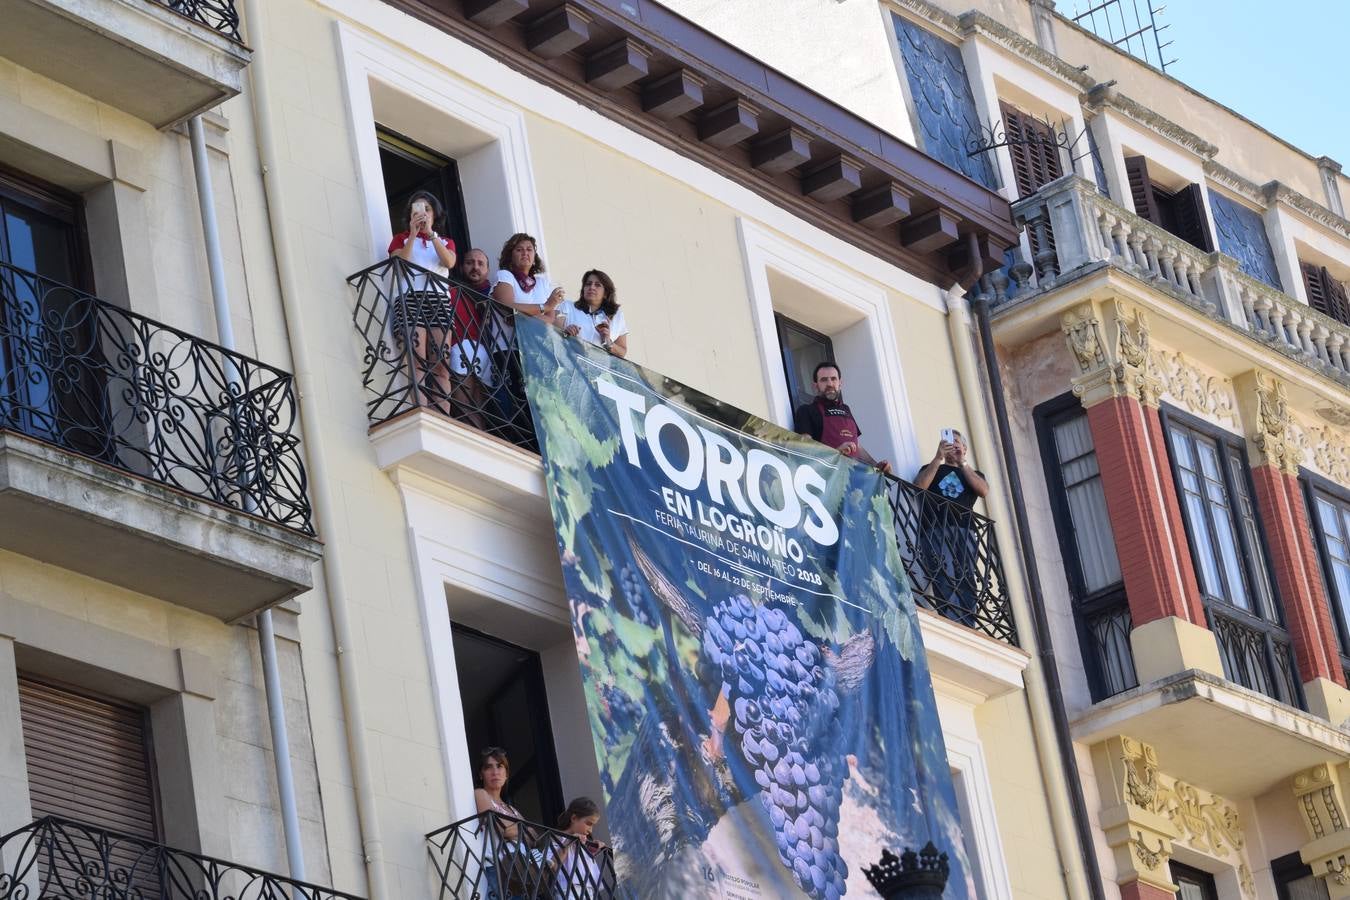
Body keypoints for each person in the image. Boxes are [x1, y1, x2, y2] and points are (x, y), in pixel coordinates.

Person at [387, 191, 458, 414]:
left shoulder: (446, 241)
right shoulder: (401, 239)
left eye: (428, 209)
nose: (423, 214)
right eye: (418, 209)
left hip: (438, 300)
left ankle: (442, 415)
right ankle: (422, 411)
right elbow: (400, 262)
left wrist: (431, 235)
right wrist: (414, 233)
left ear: (435, 214)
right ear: (410, 214)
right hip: (411, 299)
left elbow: (449, 262)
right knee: (416, 361)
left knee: (441, 365)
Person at [490, 234, 562, 450]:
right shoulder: (505, 276)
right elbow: (508, 308)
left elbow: (553, 321)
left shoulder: (542, 283)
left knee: (538, 398)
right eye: (519, 249)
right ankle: (521, 445)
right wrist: (544, 307)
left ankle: (540, 445)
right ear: (510, 255)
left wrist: (531, 314)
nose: (525, 253)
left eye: (529, 249)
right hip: (508, 347)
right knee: (516, 398)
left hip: (537, 350)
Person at [912, 430, 990, 626]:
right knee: (944, 573)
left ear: (965, 448)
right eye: (948, 442)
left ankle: (967, 622)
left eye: (957, 442)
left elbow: (983, 490)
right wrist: (938, 458)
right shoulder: (932, 468)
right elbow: (919, 487)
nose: (953, 445)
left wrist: (963, 462)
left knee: (966, 576)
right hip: (936, 530)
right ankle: (951, 618)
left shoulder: (972, 473)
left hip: (964, 530)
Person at [792, 361, 891, 473]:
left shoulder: (846, 409)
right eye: (824, 380)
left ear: (840, 383)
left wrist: (877, 466)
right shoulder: (806, 410)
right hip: (828, 479)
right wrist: (836, 452)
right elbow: (805, 450)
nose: (830, 384)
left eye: (833, 379)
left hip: (855, 480)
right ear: (816, 386)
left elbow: (856, 446)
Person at [473, 747, 539, 900]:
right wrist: (522, 830)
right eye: (488, 767)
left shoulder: (512, 810)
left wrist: (518, 831)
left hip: (521, 871)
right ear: (480, 774)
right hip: (498, 868)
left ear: (506, 774)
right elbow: (504, 830)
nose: (495, 771)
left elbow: (533, 837)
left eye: (499, 766)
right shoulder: (481, 794)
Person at [446, 248, 494, 429]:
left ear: (488, 270)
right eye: (470, 263)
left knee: (480, 405)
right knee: (465, 405)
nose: (475, 267)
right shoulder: (450, 290)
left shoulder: (493, 294)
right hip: (458, 348)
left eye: (480, 263)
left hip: (485, 353)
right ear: (460, 267)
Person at [550, 797, 610, 900]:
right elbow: (553, 865)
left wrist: (591, 850)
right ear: (574, 818)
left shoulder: (583, 841)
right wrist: (569, 842)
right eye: (588, 823)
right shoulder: (557, 838)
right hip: (568, 891)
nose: (590, 830)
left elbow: (578, 861)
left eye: (593, 825)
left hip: (588, 891)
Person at [561, 270, 628, 358]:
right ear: (583, 289)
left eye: (597, 285)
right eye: (588, 284)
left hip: (599, 369)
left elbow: (622, 352)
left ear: (606, 293)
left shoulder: (617, 315)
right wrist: (565, 332)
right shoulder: (567, 306)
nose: (592, 287)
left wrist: (608, 342)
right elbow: (552, 332)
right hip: (569, 362)